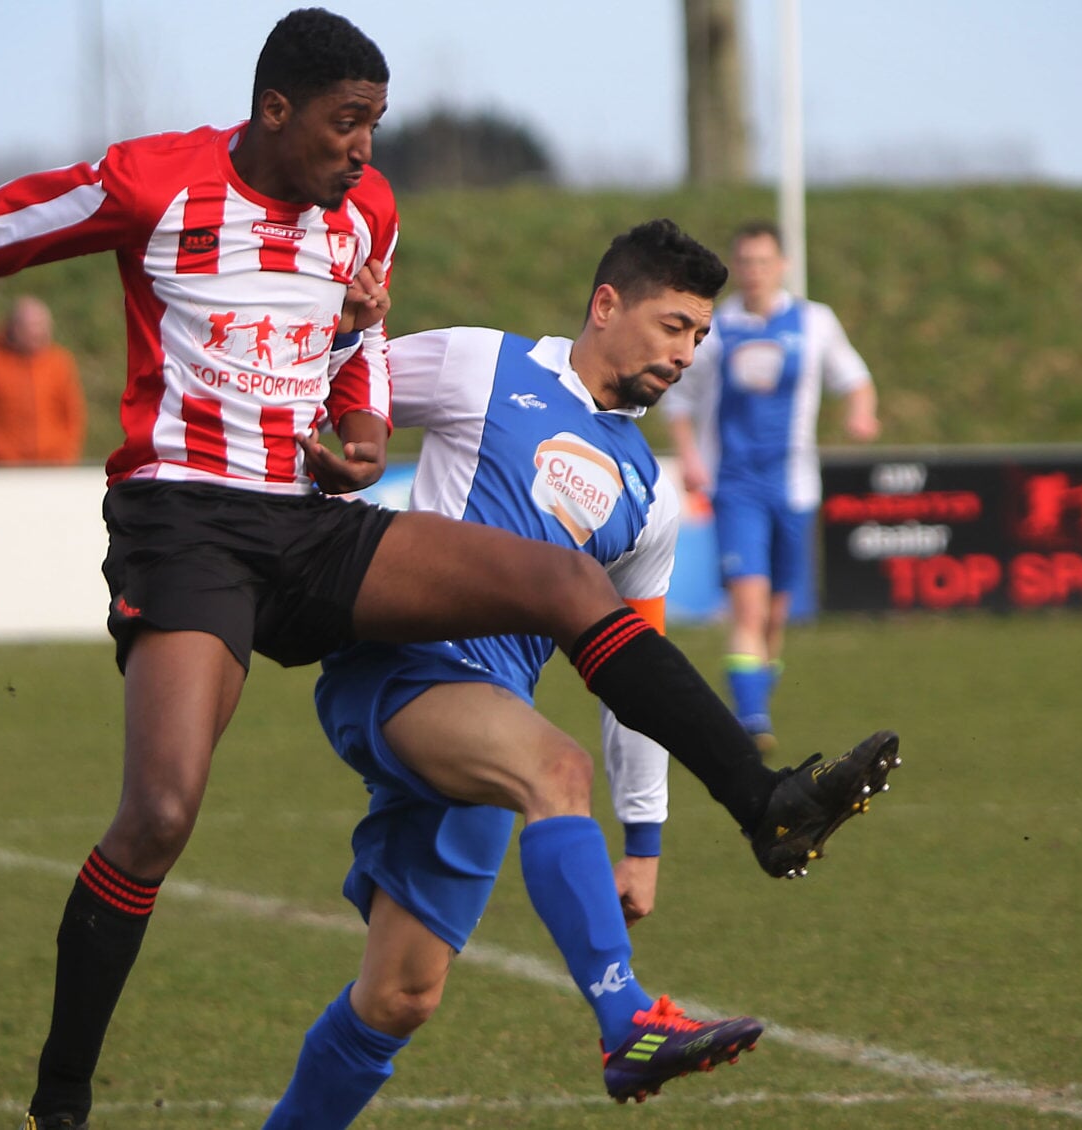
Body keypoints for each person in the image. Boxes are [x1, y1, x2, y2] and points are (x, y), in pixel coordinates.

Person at [0, 12, 899, 1130]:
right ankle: (60, 1102)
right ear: (276, 111)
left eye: (377, 123)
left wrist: (355, 428)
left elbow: (354, 380)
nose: (365, 148)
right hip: (186, 523)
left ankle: (765, 801)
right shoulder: (152, 182)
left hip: (306, 522)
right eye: (347, 122)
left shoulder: (369, 213)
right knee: (159, 814)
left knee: (565, 598)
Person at [267, 219, 879, 1127]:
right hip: (400, 669)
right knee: (556, 771)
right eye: (674, 326)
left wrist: (643, 840)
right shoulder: (487, 365)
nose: (688, 354)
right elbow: (347, 386)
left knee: (399, 999)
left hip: (488, 722)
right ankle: (627, 1021)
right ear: (606, 305)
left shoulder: (649, 498)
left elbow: (637, 684)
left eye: (701, 337)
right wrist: (344, 360)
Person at [664, 219, 882, 748]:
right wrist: (690, 458)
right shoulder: (714, 327)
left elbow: (854, 378)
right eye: (746, 262)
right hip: (735, 485)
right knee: (750, 603)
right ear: (734, 267)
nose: (754, 272)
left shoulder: (814, 322)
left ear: (782, 265)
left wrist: (861, 413)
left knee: (777, 614)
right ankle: (751, 719)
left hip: (794, 487)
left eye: (764, 262)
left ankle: (754, 690)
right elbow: (678, 396)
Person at [0, 295, 87, 464]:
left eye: (43, 328)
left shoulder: (59, 362)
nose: (39, 334)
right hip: (1, 468)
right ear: (14, 328)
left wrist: (66, 453)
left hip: (51, 467)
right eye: (32, 329)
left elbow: (72, 413)